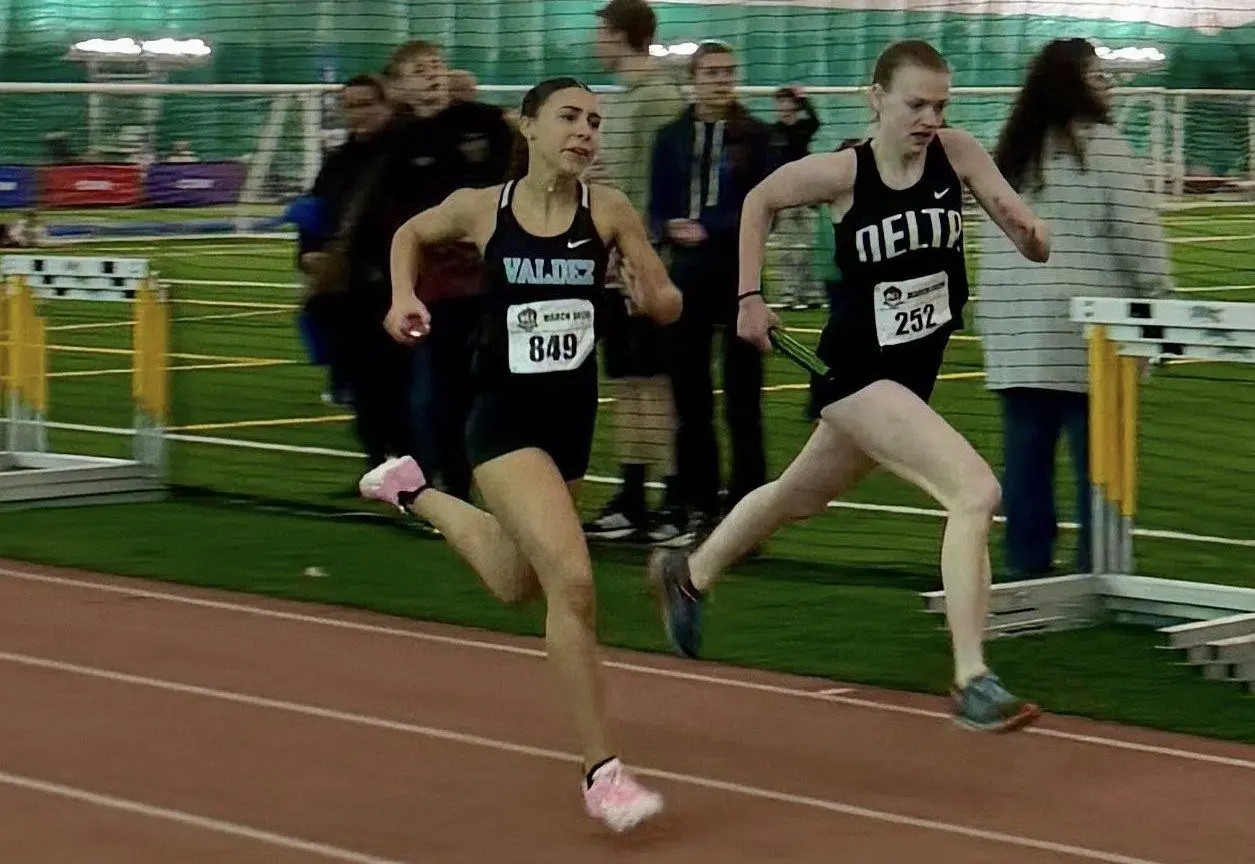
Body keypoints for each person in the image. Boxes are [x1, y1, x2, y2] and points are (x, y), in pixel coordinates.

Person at [649, 39, 1052, 733]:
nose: (929, 119)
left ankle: (689, 574)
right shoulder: (843, 172)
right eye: (915, 104)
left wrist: (1031, 235)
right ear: (876, 99)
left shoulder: (956, 153)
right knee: (974, 492)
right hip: (857, 374)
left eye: (940, 105)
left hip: (910, 378)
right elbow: (759, 200)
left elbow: (1015, 219)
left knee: (796, 497)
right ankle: (971, 679)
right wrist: (749, 296)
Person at [360, 77, 682, 831]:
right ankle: (602, 774)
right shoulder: (483, 207)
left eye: (594, 121)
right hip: (502, 422)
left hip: (571, 422)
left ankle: (411, 490)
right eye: (569, 117)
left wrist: (651, 295)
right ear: (530, 128)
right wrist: (403, 297)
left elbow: (666, 301)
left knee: (513, 581)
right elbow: (409, 233)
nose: (585, 131)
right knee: (572, 582)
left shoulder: (608, 210)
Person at [979, 37, 1170, 578]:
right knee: (1101, 468)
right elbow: (1139, 236)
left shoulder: (1009, 154)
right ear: (1073, 84)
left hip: (1017, 337)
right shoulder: (1104, 147)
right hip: (1091, 339)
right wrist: (1160, 304)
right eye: (1097, 75)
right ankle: (1100, 576)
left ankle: (1026, 576)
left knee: (1025, 468)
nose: (1107, 85)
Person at [648, 40, 773, 540]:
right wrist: (666, 226)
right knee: (690, 395)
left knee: (744, 398)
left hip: (741, 274)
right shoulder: (670, 137)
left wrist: (712, 228)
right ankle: (696, 503)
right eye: (711, 72)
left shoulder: (756, 135)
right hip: (687, 275)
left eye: (728, 72)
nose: (721, 80)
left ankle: (749, 510)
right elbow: (657, 203)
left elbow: (767, 205)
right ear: (694, 79)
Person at [583, 0, 689, 543]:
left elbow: (667, 185)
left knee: (655, 385)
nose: (595, 40)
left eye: (601, 31)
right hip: (615, 263)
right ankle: (632, 499)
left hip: (646, 266)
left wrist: (646, 261)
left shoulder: (659, 99)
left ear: (620, 34)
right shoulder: (622, 100)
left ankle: (673, 500)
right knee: (628, 383)